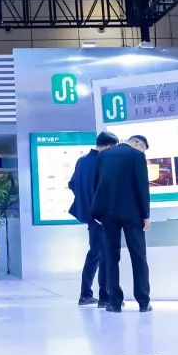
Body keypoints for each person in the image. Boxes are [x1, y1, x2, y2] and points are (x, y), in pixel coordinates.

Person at [92, 133, 152, 314]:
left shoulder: (103, 155)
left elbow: (97, 183)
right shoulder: (137, 156)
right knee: (138, 256)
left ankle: (114, 302)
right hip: (132, 214)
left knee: (111, 256)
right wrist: (145, 214)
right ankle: (143, 301)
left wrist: (97, 211)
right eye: (143, 148)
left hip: (108, 213)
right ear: (137, 143)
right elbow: (142, 186)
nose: (143, 151)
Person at [68, 131, 119, 308]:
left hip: (90, 215)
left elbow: (72, 184)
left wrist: (85, 201)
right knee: (102, 255)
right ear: (109, 146)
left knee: (95, 253)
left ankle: (87, 294)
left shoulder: (82, 161)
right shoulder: (103, 160)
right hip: (102, 215)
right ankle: (103, 297)